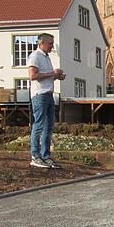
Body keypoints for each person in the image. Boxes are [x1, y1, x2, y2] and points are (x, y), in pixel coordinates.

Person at [27, 33, 65, 169]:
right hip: (40, 95)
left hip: (49, 94)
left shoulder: (47, 58)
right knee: (39, 125)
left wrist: (57, 76)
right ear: (42, 43)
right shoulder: (35, 56)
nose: (52, 46)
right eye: (50, 43)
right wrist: (52, 74)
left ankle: (46, 155)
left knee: (49, 126)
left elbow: (46, 77)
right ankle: (35, 156)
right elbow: (33, 76)